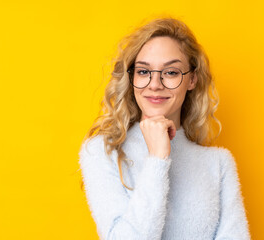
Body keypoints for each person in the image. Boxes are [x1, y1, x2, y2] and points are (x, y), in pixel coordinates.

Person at [78, 17, 251, 240]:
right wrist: (158, 160)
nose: (155, 84)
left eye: (170, 72)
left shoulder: (218, 164)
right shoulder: (102, 151)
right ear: (131, 79)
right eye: (143, 71)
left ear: (192, 80)